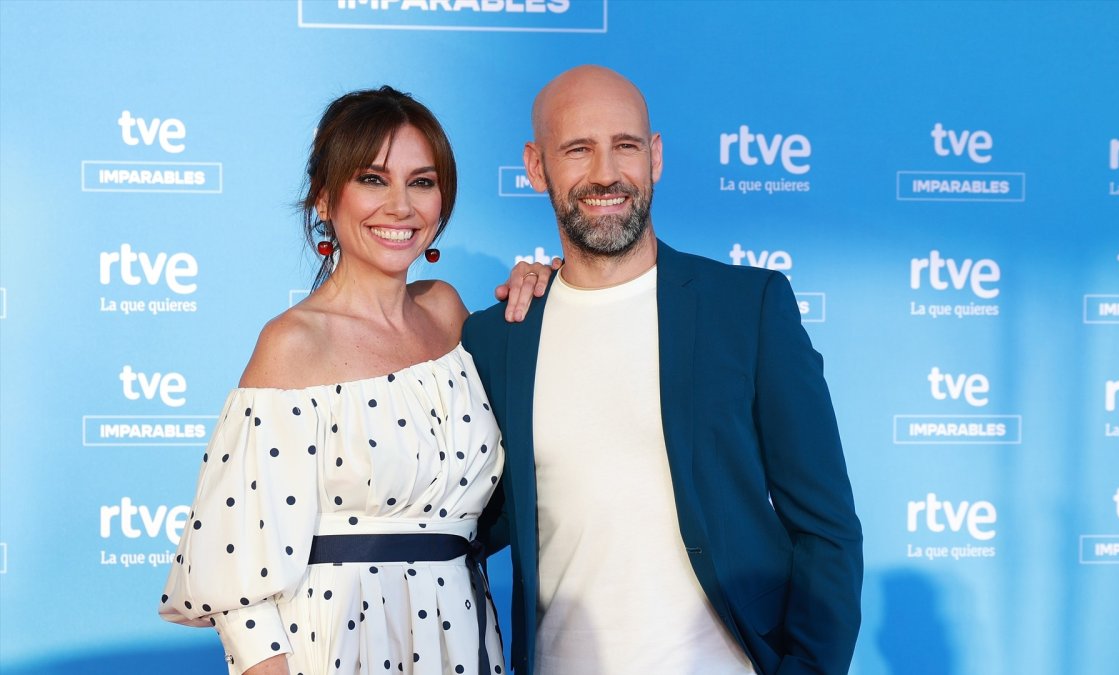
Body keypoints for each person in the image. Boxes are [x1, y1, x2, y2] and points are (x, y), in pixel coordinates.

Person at [462, 66, 864, 675]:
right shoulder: (499, 337)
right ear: (536, 167)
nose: (605, 173)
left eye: (625, 145)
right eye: (578, 149)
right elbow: (462, 522)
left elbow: (826, 528)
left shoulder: (747, 309)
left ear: (654, 157)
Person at [159, 86, 548, 675]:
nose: (401, 206)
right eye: (372, 179)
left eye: (422, 182)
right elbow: (240, 593)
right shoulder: (292, 344)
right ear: (324, 197)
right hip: (338, 642)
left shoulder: (448, 314)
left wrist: (551, 291)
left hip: (461, 636)